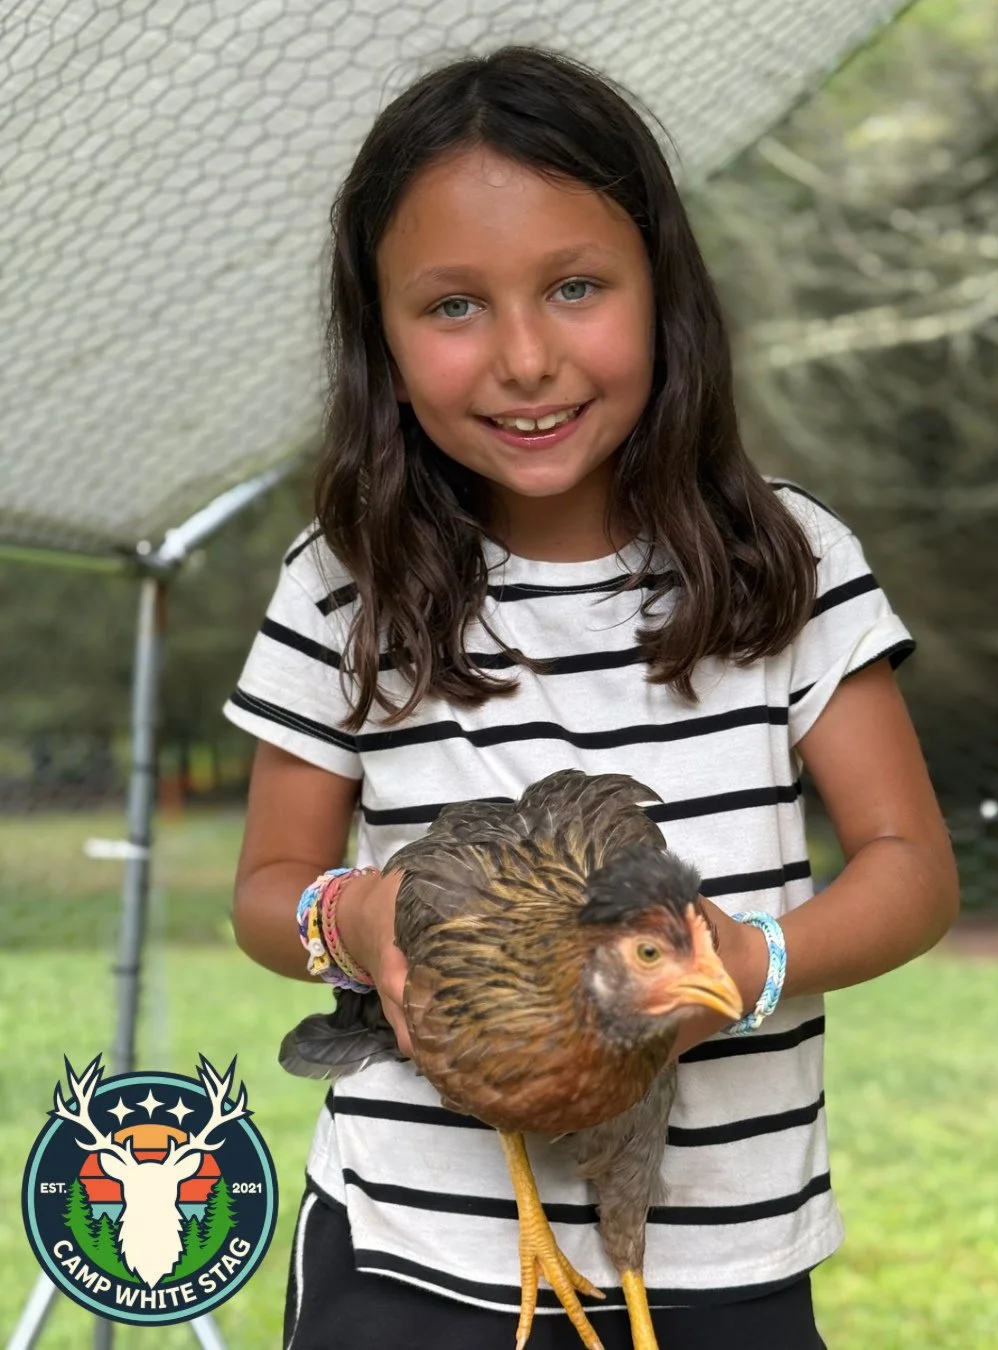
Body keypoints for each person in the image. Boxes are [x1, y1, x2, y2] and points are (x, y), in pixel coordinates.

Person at [224, 44, 959, 1350]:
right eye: (452, 306)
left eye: (574, 287)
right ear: (379, 340)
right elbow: (267, 886)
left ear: (663, 294)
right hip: (412, 1254)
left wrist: (758, 956)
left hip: (723, 1255)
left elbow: (913, 866)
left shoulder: (789, 561)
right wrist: (357, 913)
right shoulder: (346, 580)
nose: (522, 356)